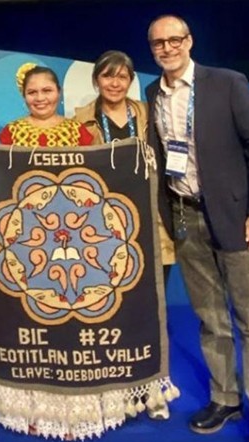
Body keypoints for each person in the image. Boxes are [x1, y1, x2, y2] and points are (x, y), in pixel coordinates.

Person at [145, 14, 249, 442]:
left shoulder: (226, 82)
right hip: (185, 219)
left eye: (173, 40)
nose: (167, 48)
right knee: (211, 320)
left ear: (189, 41)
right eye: (158, 44)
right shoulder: (152, 93)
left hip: (237, 219)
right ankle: (225, 398)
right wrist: (169, 218)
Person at [73, 50, 179, 420]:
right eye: (107, 76)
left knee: (153, 307)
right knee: (115, 310)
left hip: (153, 224)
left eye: (122, 76)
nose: (114, 83)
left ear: (131, 80)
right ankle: (118, 387)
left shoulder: (147, 113)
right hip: (105, 233)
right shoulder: (81, 121)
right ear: (96, 81)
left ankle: (152, 389)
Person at [0, 64, 93, 147]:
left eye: (47, 91)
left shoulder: (76, 131)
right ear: (24, 95)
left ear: (59, 92)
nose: (40, 98)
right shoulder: (12, 131)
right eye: (32, 92)